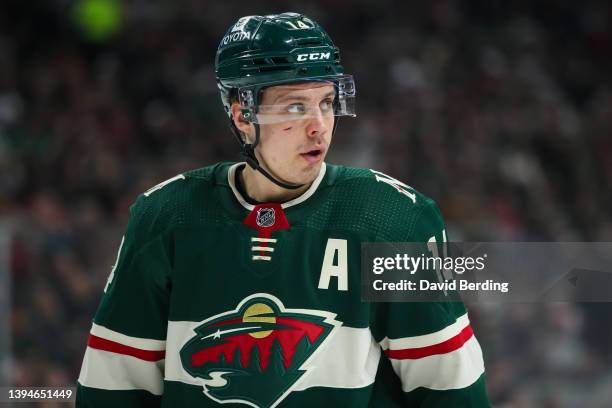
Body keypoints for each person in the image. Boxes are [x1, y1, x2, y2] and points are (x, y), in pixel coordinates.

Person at [76, 12, 490, 407]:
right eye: (296, 107)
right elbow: (112, 388)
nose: (319, 126)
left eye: (327, 103)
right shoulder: (164, 219)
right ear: (243, 115)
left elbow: (451, 390)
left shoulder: (395, 222)